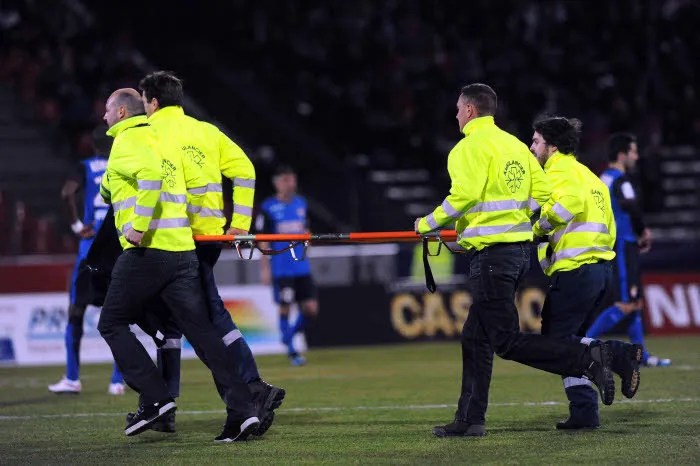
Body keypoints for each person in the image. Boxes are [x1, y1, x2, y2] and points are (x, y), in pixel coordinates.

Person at [414, 83, 639, 438]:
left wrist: (426, 225)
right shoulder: (515, 146)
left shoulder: (467, 148)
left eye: (458, 108)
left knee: (504, 340)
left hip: (494, 256)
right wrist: (488, 230)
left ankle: (591, 358)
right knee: (475, 337)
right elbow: (544, 195)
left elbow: (465, 196)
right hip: (516, 254)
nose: (456, 114)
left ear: (470, 110)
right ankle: (470, 419)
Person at [97, 88, 260, 440]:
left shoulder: (125, 142)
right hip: (183, 250)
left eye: (107, 111)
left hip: (148, 251)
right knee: (202, 333)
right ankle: (243, 410)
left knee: (111, 323)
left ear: (122, 113)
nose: (103, 117)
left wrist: (138, 226)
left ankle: (156, 399)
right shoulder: (162, 137)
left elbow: (150, 179)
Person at [138, 71, 284, 438]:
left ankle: (250, 388)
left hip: (173, 241)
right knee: (178, 319)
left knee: (205, 317)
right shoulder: (206, 131)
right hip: (209, 238)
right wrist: (239, 223)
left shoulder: (150, 133)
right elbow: (245, 170)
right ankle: (163, 404)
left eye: (144, 101)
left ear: (153, 102)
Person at [530, 116, 642, 431]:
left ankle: (618, 354)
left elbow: (570, 204)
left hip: (576, 270)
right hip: (599, 270)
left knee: (557, 343)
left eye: (536, 141)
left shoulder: (557, 171)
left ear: (552, 147)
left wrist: (538, 228)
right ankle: (584, 411)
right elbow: (608, 225)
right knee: (570, 346)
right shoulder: (590, 176)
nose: (532, 146)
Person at [49, 129, 125, 396]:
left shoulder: (83, 167)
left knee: (76, 311)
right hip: (115, 246)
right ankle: (117, 381)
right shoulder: (123, 164)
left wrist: (76, 225)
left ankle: (72, 378)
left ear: (92, 146)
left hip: (89, 248)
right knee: (120, 312)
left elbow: (66, 192)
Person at [586, 133, 671, 367]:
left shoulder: (602, 178)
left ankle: (640, 354)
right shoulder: (621, 181)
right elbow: (631, 207)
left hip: (615, 242)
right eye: (633, 151)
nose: (636, 156)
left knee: (636, 303)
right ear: (622, 155)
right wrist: (643, 231)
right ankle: (584, 345)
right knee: (626, 303)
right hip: (623, 243)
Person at [256, 165, 318, 366]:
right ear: (277, 183)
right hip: (282, 267)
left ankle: (288, 335)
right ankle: (293, 352)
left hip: (301, 266)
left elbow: (306, 230)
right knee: (286, 306)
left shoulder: (301, 203)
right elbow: (262, 239)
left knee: (311, 308)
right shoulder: (268, 207)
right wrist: (265, 268)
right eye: (286, 180)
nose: (290, 184)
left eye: (292, 179)